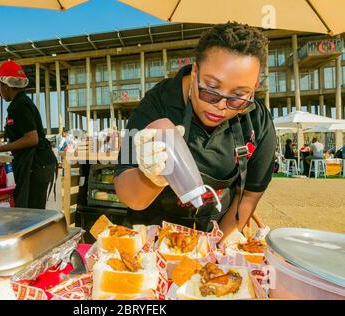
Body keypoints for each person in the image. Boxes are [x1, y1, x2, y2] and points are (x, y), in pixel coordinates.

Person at [114, 22, 276, 242]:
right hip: (149, 239)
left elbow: (247, 197)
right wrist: (152, 177)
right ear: (195, 71)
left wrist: (217, 249)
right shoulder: (156, 104)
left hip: (213, 234)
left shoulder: (258, 121)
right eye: (210, 89)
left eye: (238, 96)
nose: (221, 105)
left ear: (254, 87)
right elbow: (129, 196)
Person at [0, 60, 57, 209]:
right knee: (28, 207)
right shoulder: (21, 103)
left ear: (6, 85)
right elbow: (19, 130)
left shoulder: (20, 105)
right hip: (38, 163)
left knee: (30, 210)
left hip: (36, 163)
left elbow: (31, 138)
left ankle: (33, 233)